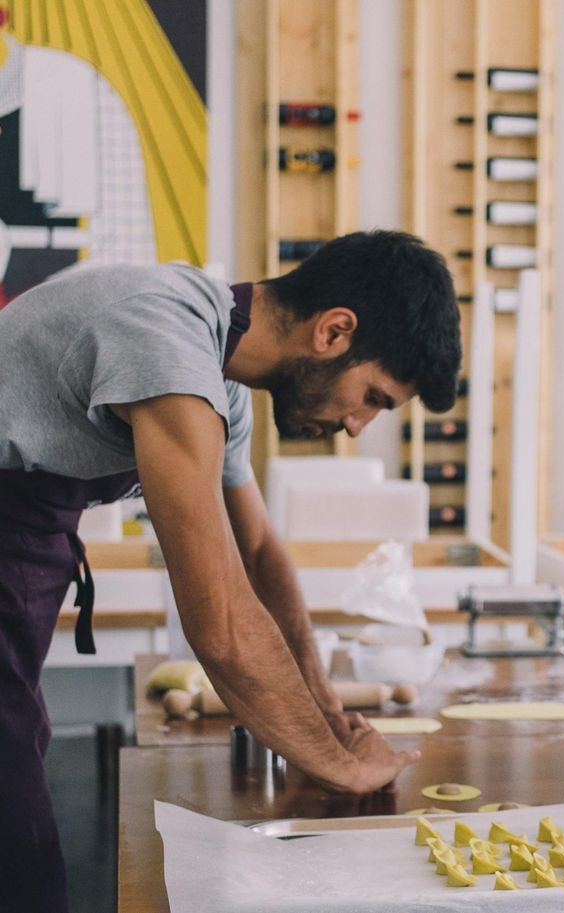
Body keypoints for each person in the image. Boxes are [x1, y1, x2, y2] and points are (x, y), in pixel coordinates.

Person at [0, 229, 462, 913]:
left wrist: (325, 709)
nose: (359, 424)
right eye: (374, 396)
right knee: (16, 845)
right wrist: (341, 766)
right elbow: (218, 622)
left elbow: (259, 553)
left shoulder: (217, 373)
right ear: (334, 332)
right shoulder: (165, 338)